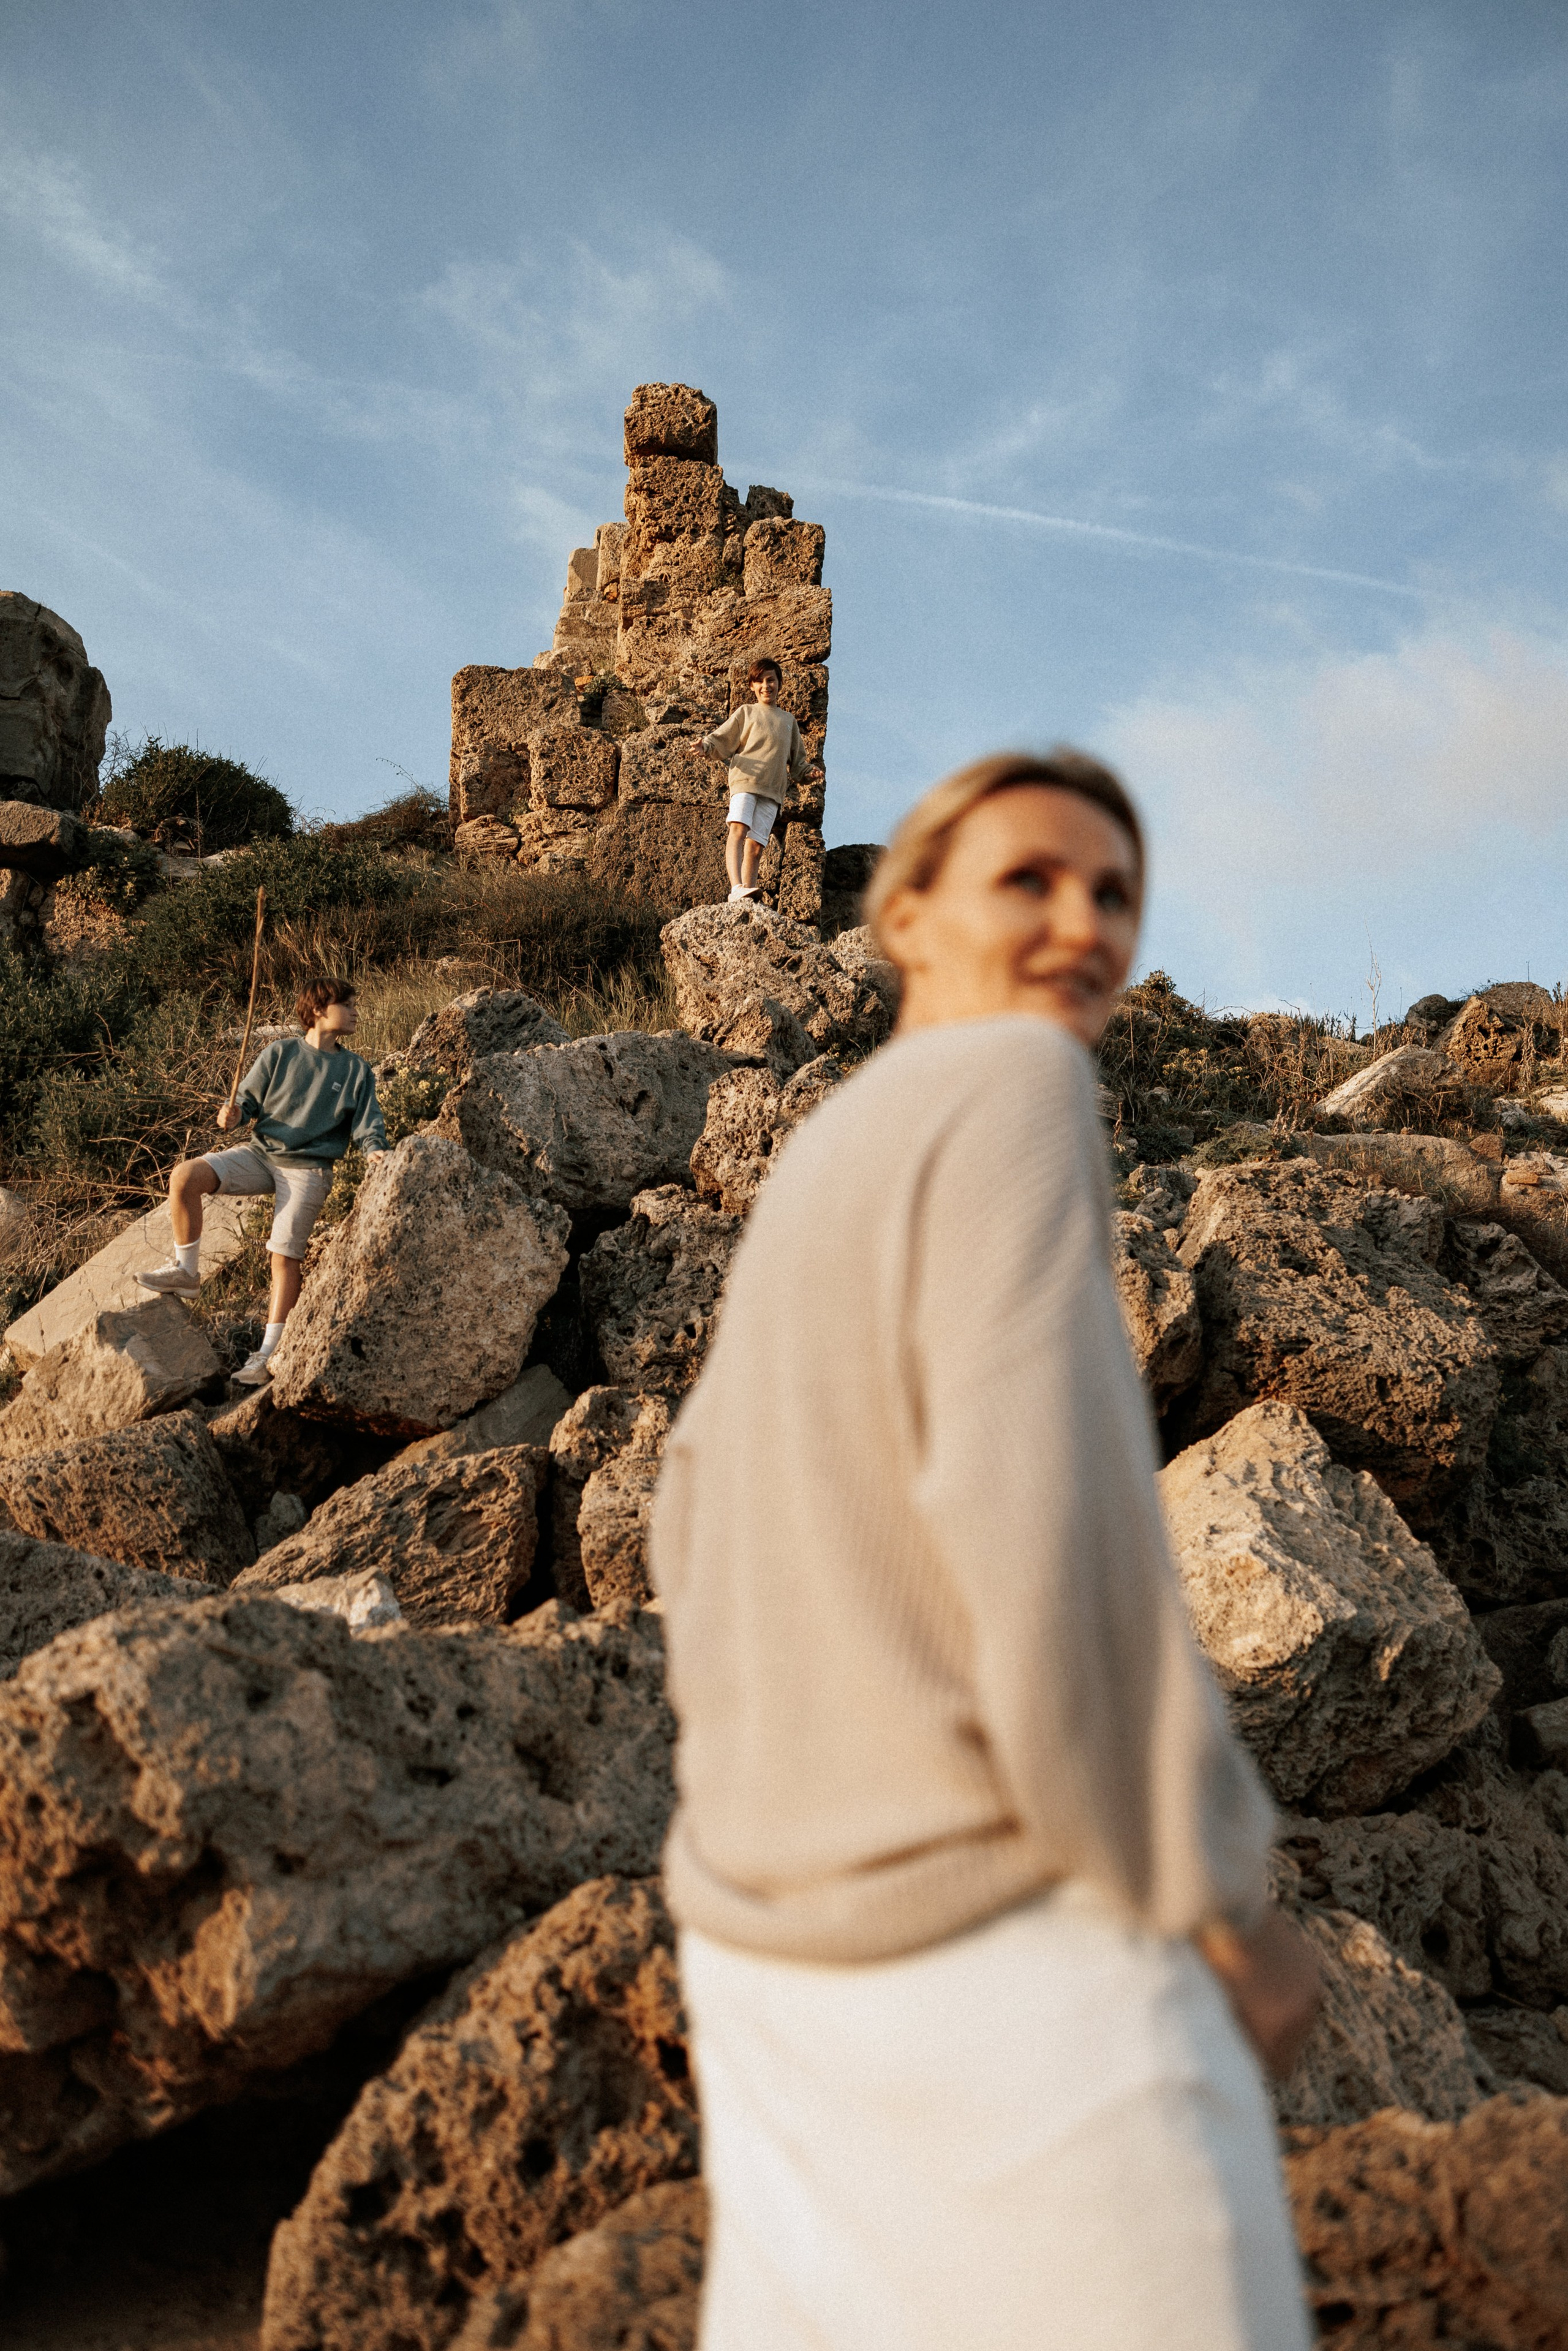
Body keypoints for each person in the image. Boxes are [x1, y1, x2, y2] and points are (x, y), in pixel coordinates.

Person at [650, 749, 1321, 2351]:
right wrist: (1220, 1895)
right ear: (906, 913)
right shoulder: (1019, 1089)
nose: (1085, 922)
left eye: (1116, 894)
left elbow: (689, 1520)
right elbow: (1054, 1531)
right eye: (1031, 878)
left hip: (773, 1970)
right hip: (1017, 1971)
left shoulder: (824, 1157)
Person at [138, 976, 387, 1386]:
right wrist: (232, 1112)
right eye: (349, 1004)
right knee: (185, 1177)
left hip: (309, 1168)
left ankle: (268, 1354)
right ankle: (186, 1271)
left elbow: (367, 1125)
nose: (357, 1011)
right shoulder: (281, 1052)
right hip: (260, 1154)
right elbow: (245, 1101)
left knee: (284, 1254)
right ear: (321, 1010)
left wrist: (375, 1149)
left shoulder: (356, 1069)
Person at [688, 656, 818, 902]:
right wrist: (705, 746)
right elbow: (723, 739)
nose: (765, 686)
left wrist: (809, 773)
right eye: (759, 681)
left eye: (771, 680)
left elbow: (799, 763)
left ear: (779, 683)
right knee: (738, 830)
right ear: (751, 686)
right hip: (745, 781)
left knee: (756, 847)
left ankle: (747, 893)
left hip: (773, 791)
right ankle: (736, 887)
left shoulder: (789, 722)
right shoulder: (746, 712)